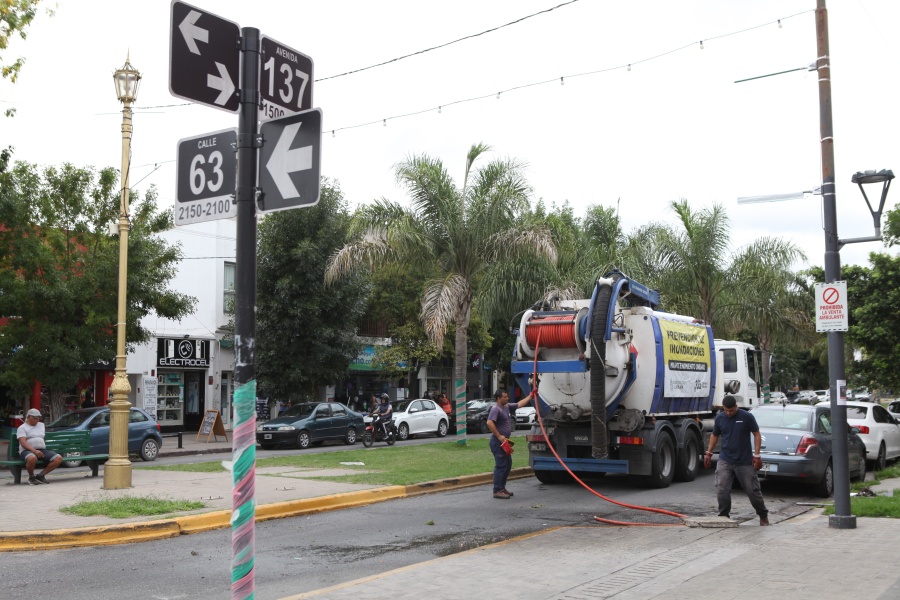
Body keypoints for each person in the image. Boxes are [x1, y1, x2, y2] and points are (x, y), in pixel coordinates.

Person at [704, 395, 769, 526]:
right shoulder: (720, 418)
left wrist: (757, 455)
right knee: (722, 488)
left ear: (736, 407)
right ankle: (724, 516)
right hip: (725, 459)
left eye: (731, 411)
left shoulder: (746, 417)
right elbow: (715, 435)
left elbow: (756, 434)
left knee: (753, 491)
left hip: (744, 461)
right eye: (726, 410)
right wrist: (709, 453)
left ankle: (763, 515)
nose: (728, 413)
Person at [486, 388, 532, 499]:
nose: (507, 398)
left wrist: (530, 396)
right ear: (498, 398)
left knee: (507, 465)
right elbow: (489, 422)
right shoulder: (496, 409)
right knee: (501, 465)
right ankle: (497, 490)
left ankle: (502, 488)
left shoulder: (506, 406)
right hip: (498, 442)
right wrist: (499, 436)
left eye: (507, 396)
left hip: (505, 442)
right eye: (505, 397)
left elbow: (519, 404)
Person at [17, 408, 63, 485]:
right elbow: (23, 443)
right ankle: (31, 477)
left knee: (58, 458)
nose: (37, 419)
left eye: (38, 417)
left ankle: (41, 475)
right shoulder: (22, 428)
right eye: (35, 418)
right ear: (28, 417)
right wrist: (35, 451)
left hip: (41, 450)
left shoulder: (41, 425)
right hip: (27, 450)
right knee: (32, 458)